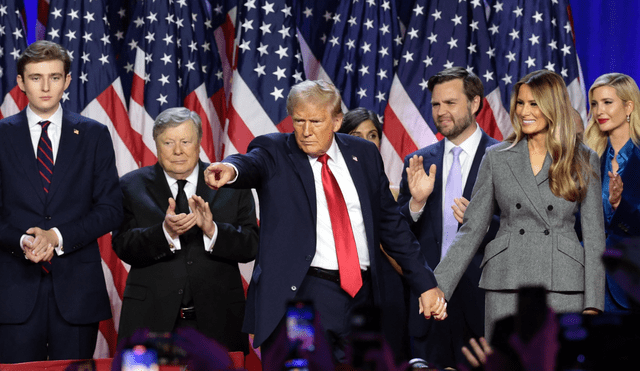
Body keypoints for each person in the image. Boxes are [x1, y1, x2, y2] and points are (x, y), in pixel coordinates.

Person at [204, 80, 446, 363]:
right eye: (299, 121)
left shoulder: (364, 154)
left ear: (336, 120)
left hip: (362, 299)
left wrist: (426, 283)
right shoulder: (275, 150)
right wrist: (231, 170)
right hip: (302, 299)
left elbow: (391, 225)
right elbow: (250, 163)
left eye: (316, 121)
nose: (306, 131)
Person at [433, 70, 605, 341]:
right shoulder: (497, 157)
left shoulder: (583, 158)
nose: (524, 111)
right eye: (521, 103)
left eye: (534, 103)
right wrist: (438, 286)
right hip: (506, 281)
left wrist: (593, 303)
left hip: (563, 284)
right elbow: (472, 229)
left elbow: (595, 238)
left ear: (552, 106)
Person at [0, 40, 123, 362]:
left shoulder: (94, 134)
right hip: (13, 290)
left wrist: (56, 237)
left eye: (54, 77)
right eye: (36, 77)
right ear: (21, 82)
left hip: (77, 291)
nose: (45, 86)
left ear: (67, 81)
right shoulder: (1, 136)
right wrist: (23, 239)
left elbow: (111, 209)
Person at [112, 107, 259, 353]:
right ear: (156, 144)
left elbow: (251, 245)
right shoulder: (130, 186)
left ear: (199, 142)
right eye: (168, 142)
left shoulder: (229, 183)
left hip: (219, 321)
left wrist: (212, 230)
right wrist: (165, 233)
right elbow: (123, 245)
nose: (178, 150)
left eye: (185, 141)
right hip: (149, 320)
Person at [398, 67, 500, 368]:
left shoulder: (505, 157)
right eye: (435, 104)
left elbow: (519, 231)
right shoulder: (417, 162)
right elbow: (398, 234)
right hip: (429, 303)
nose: (441, 111)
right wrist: (416, 203)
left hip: (481, 305)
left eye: (450, 103)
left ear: (475, 103)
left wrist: (479, 222)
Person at [339, 107, 409, 361]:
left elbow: (406, 249)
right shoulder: (328, 187)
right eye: (356, 134)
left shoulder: (393, 192)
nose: (365, 142)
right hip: (342, 290)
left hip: (388, 289)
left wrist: (417, 205)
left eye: (372, 135)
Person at [584, 73, 640, 313]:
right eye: (595, 104)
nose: (599, 111)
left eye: (608, 102)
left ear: (628, 106)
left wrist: (619, 206)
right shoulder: (586, 158)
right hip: (586, 282)